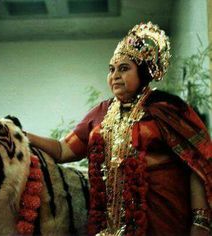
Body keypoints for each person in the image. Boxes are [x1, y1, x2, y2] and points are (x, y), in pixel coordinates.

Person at [26, 22, 212, 236]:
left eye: (124, 69)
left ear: (143, 72)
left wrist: (201, 222)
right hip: (108, 227)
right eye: (111, 69)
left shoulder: (167, 110)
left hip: (164, 223)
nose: (114, 75)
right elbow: (62, 150)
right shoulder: (100, 113)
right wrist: (20, 135)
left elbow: (197, 166)